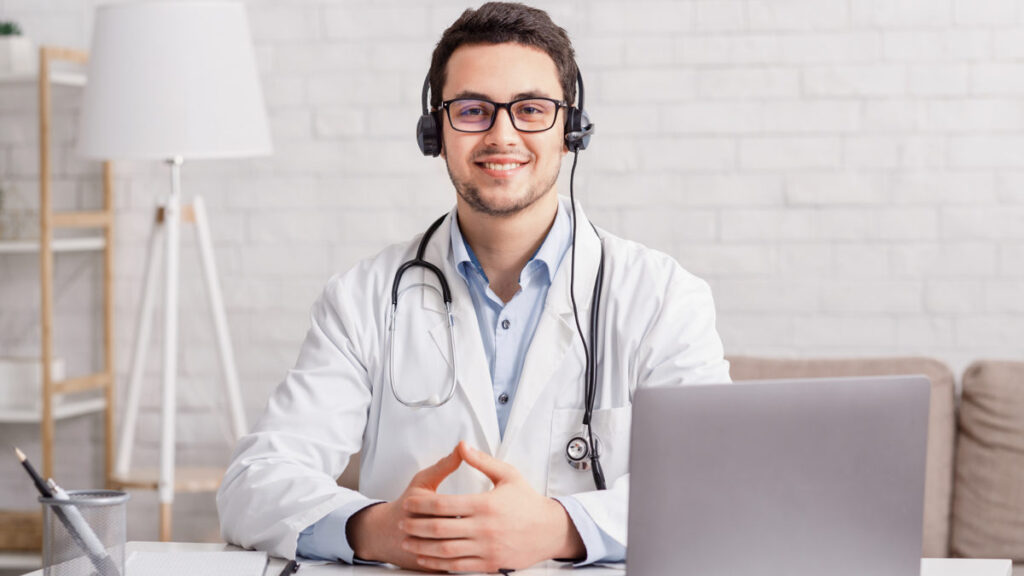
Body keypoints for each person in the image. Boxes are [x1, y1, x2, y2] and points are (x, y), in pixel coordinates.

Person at [217, 2, 730, 572]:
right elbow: (252, 483)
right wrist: (375, 528)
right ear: (435, 131)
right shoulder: (361, 299)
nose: (502, 135)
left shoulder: (662, 298)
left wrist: (561, 528)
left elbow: (715, 488)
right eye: (473, 110)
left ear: (572, 131)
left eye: (531, 109)